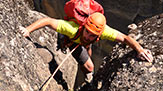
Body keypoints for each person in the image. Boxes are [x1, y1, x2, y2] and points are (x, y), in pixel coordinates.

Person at [19, 11, 153, 80]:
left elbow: (124, 37)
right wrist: (28, 30)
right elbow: (48, 21)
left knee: (90, 66)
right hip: (71, 39)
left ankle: (88, 80)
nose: (88, 35)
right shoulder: (71, 29)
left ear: (99, 34)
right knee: (84, 52)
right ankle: (68, 47)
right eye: (87, 32)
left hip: (82, 44)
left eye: (93, 35)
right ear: (84, 26)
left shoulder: (104, 31)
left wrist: (139, 50)